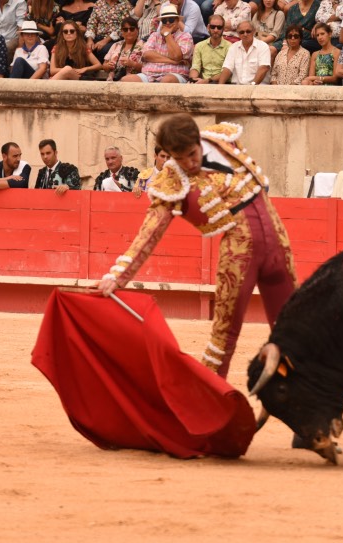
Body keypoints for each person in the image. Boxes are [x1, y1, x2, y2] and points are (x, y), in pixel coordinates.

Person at [97, 114, 297, 378]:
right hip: (239, 256)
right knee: (223, 336)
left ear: (198, 139)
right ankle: (209, 408)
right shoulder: (171, 179)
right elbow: (150, 231)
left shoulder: (223, 140)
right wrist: (117, 276)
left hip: (278, 244)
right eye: (179, 159)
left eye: (192, 154)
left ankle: (305, 398)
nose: (189, 163)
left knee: (293, 327)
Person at [129, 3, 193, 82]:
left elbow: (177, 56)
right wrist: (172, 61)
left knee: (167, 80)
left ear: (177, 21)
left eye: (171, 20)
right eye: (164, 20)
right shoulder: (154, 35)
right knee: (127, 80)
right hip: (149, 74)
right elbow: (147, 55)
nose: (168, 23)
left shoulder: (185, 36)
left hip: (175, 73)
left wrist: (167, 35)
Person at [189, 13, 230, 82]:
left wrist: (208, 80)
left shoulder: (230, 47)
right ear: (208, 27)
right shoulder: (199, 46)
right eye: (213, 27)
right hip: (203, 82)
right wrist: (194, 79)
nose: (216, 30)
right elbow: (195, 67)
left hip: (222, 83)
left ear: (223, 29)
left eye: (219, 27)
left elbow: (227, 72)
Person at [103, 16, 143, 80]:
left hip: (133, 81)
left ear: (137, 30)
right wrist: (108, 66)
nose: (129, 32)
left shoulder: (144, 45)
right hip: (113, 79)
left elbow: (148, 69)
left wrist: (133, 64)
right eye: (125, 29)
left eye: (132, 29)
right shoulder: (116, 45)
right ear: (122, 31)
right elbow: (104, 65)